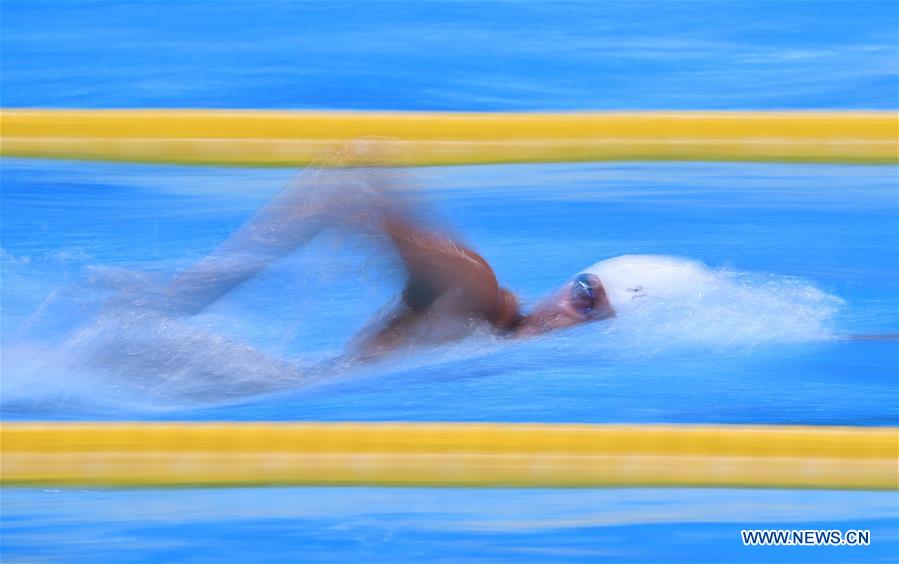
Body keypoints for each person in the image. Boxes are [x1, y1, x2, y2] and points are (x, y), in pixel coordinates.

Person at [136, 153, 616, 360]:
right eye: (584, 293)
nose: (574, 316)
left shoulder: (494, 346)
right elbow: (352, 179)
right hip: (247, 386)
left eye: (594, 316)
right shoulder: (474, 293)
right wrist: (188, 296)